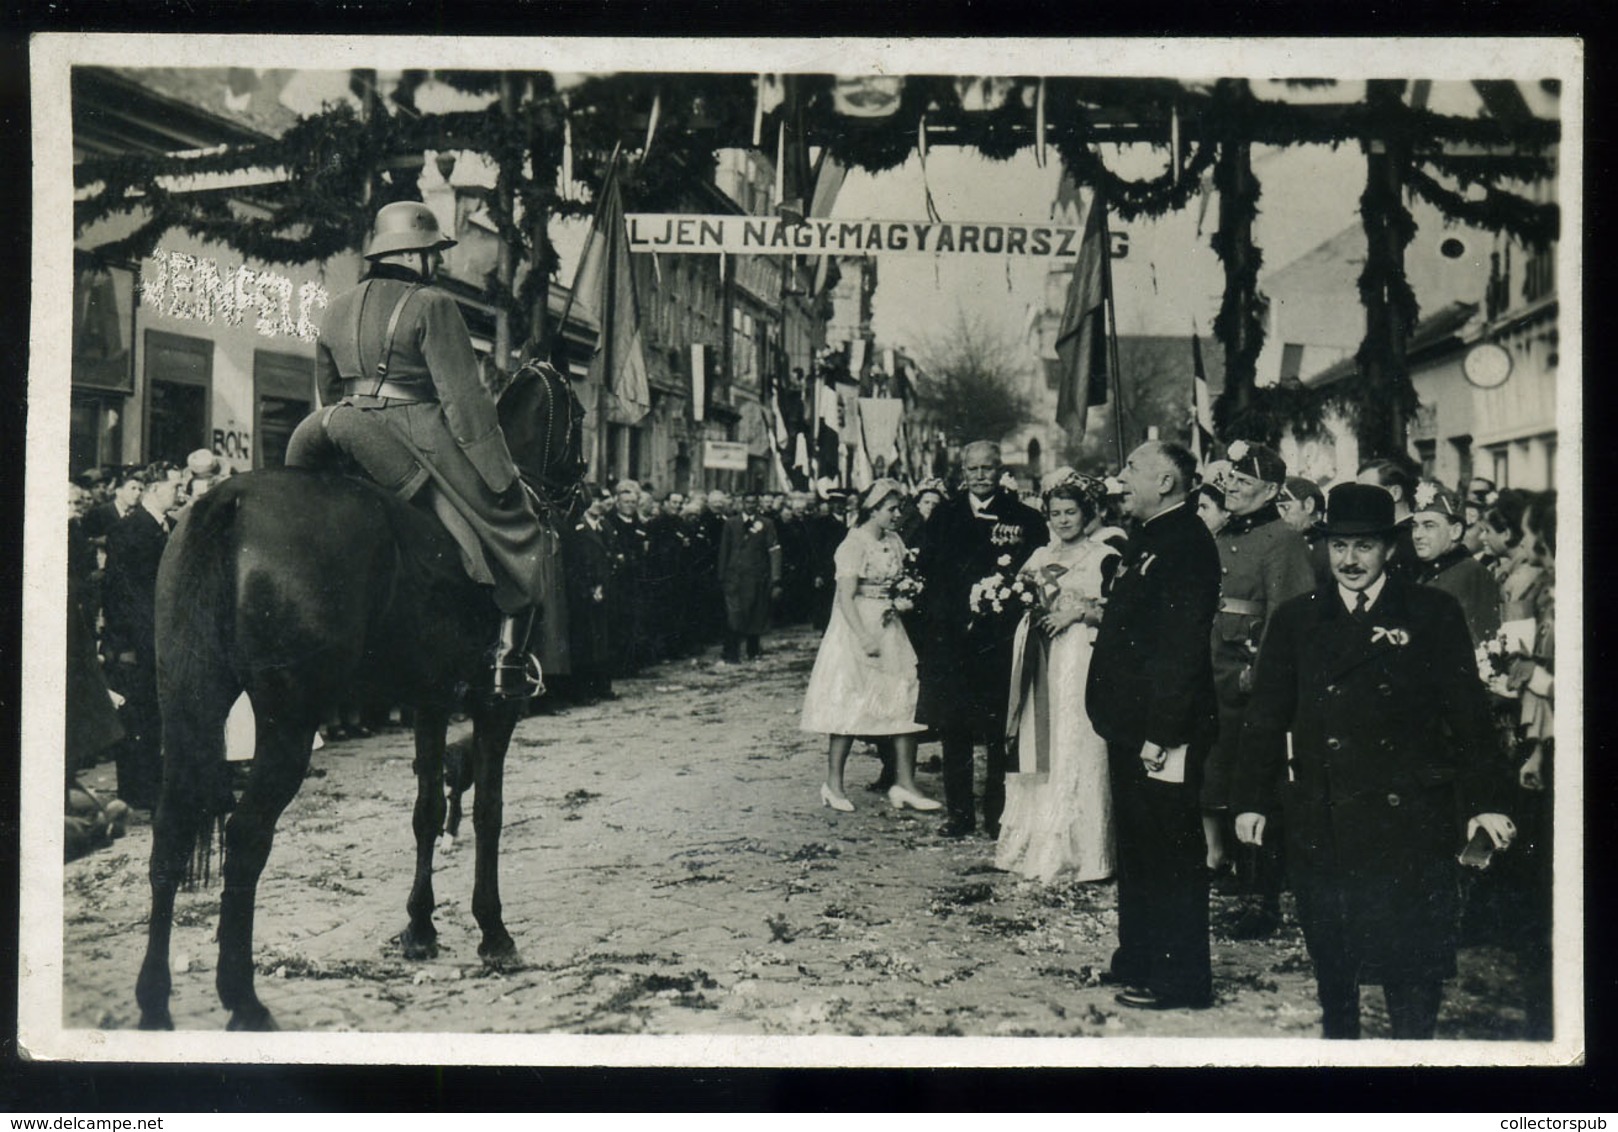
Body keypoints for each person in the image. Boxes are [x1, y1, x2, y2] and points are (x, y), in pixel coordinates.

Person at [1232, 482, 1515, 1039]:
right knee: (1336, 968)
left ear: (1390, 548)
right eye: (1339, 546)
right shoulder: (1296, 619)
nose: (1350, 560)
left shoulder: (1432, 612)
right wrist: (1251, 799)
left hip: (1412, 816)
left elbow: (1468, 718)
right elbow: (1265, 717)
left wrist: (1485, 803)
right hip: (1325, 815)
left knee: (1414, 967)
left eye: (1364, 547)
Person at [284, 200, 546, 697]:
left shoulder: (334, 307)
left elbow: (328, 387)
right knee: (518, 529)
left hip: (341, 428)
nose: (439, 263)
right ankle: (508, 662)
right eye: (433, 252)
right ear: (410, 255)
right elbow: (463, 402)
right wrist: (499, 474)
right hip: (416, 434)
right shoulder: (433, 305)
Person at [1086, 440, 1220, 1011]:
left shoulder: (1187, 545)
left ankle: (1181, 977)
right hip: (1129, 726)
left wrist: (1162, 733)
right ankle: (1138, 955)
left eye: (1133, 470)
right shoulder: (1152, 538)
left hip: (1163, 730)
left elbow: (1181, 651)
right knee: (1139, 848)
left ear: (1166, 481)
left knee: (1170, 853)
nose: (1121, 478)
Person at [1202, 441, 1317, 941]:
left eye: (1242, 483)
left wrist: (1261, 676)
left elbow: (1287, 617)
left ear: (1271, 490)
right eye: (1227, 480)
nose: (1229, 488)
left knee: (1257, 789)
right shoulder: (1224, 532)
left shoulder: (1281, 540)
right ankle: (1232, 880)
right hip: (1214, 676)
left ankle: (1261, 899)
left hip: (1250, 681)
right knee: (1220, 780)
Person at [914, 440, 1048, 839]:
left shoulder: (1022, 516)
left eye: (987, 469)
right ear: (963, 472)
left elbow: (1034, 571)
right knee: (954, 729)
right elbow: (928, 572)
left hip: (1000, 639)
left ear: (999, 469)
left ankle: (997, 813)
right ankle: (959, 814)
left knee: (996, 729)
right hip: (952, 640)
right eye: (972, 470)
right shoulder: (944, 515)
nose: (980, 476)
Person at [995, 469, 1118, 882]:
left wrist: (1079, 612)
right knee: (1038, 738)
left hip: (1078, 656)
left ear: (1086, 514)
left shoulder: (1103, 555)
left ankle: (1083, 851)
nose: (1063, 520)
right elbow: (1021, 596)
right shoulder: (1038, 557)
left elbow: (1119, 611)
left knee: (1074, 738)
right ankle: (1036, 838)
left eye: (1070, 512)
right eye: (1055, 513)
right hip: (1038, 658)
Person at [800, 479, 940, 814]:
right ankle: (833, 784)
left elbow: (905, 580)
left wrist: (905, 599)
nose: (896, 515)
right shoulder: (853, 544)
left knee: (903, 699)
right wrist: (863, 636)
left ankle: (905, 783)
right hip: (858, 625)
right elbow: (845, 598)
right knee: (852, 702)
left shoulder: (894, 541)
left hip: (891, 624)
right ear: (873, 509)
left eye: (898, 509)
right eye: (891, 509)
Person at [101, 468, 180, 809]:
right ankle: (136, 790)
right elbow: (123, 593)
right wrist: (140, 640)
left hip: (163, 637)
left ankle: (155, 784)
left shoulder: (171, 528)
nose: (180, 491)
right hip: (137, 640)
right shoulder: (129, 530)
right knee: (137, 715)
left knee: (156, 716)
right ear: (155, 489)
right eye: (176, 486)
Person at [1409, 479, 1502, 647]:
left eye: (1429, 526)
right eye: (1415, 526)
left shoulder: (1472, 574)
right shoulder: (1426, 571)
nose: (1417, 535)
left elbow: (1479, 644)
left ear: (1455, 531)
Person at [563, 487, 616, 704]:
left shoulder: (605, 526)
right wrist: (590, 588)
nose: (598, 504)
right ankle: (583, 691)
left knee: (602, 641)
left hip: (604, 590)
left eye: (601, 500)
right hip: (584, 592)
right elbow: (575, 563)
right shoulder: (577, 527)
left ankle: (602, 686)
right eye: (593, 500)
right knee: (584, 643)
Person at [717, 492, 782, 662]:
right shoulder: (731, 523)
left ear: (758, 504)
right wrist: (722, 575)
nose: (751, 505)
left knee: (755, 614)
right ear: (742, 503)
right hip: (735, 578)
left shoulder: (766, 524)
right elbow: (724, 550)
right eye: (748, 502)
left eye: (754, 502)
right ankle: (731, 652)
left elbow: (774, 551)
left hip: (757, 577)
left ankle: (753, 651)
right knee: (734, 614)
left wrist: (775, 578)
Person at [1356, 457, 1420, 580]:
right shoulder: (1383, 534)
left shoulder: (1414, 537)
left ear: (1395, 493)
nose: (1359, 501)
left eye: (1367, 492)